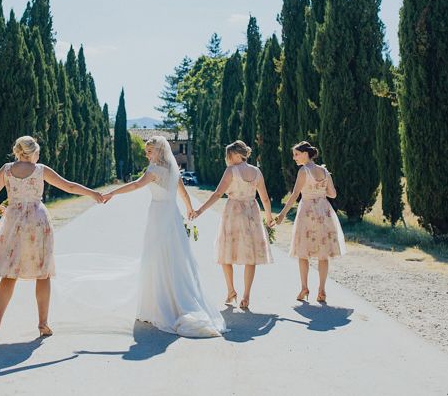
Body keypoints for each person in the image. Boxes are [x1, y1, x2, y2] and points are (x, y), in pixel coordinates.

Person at [102, 136, 226, 337]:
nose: (146, 154)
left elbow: (135, 185)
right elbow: (183, 194)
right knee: (175, 257)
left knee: (156, 256)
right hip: (173, 215)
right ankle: (175, 300)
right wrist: (190, 210)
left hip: (159, 216)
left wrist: (112, 193)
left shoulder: (154, 170)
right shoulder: (173, 169)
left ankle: (160, 306)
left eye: (149, 151)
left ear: (159, 151)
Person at [0, 135, 105, 338]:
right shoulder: (40, 170)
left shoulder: (6, 169)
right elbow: (70, 187)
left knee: (9, 272)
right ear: (33, 153)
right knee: (43, 272)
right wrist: (93, 193)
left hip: (13, 221)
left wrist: (0, 209)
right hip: (37, 223)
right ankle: (43, 324)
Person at [192, 140, 274, 310]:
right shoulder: (257, 172)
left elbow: (217, 194)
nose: (227, 159)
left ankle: (231, 291)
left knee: (226, 252)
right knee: (250, 256)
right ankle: (246, 296)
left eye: (228, 155)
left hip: (234, 213)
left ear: (237, 155)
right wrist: (268, 217)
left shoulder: (231, 171)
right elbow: (264, 198)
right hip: (252, 213)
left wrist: (200, 210)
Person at [275, 141, 346, 304]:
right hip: (324, 211)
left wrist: (281, 215)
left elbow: (294, 195)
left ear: (305, 154)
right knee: (323, 253)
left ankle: (304, 288)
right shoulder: (324, 171)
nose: (294, 158)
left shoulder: (304, 171)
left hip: (307, 212)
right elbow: (333, 194)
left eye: (296, 154)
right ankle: (322, 290)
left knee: (303, 252)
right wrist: (321, 191)